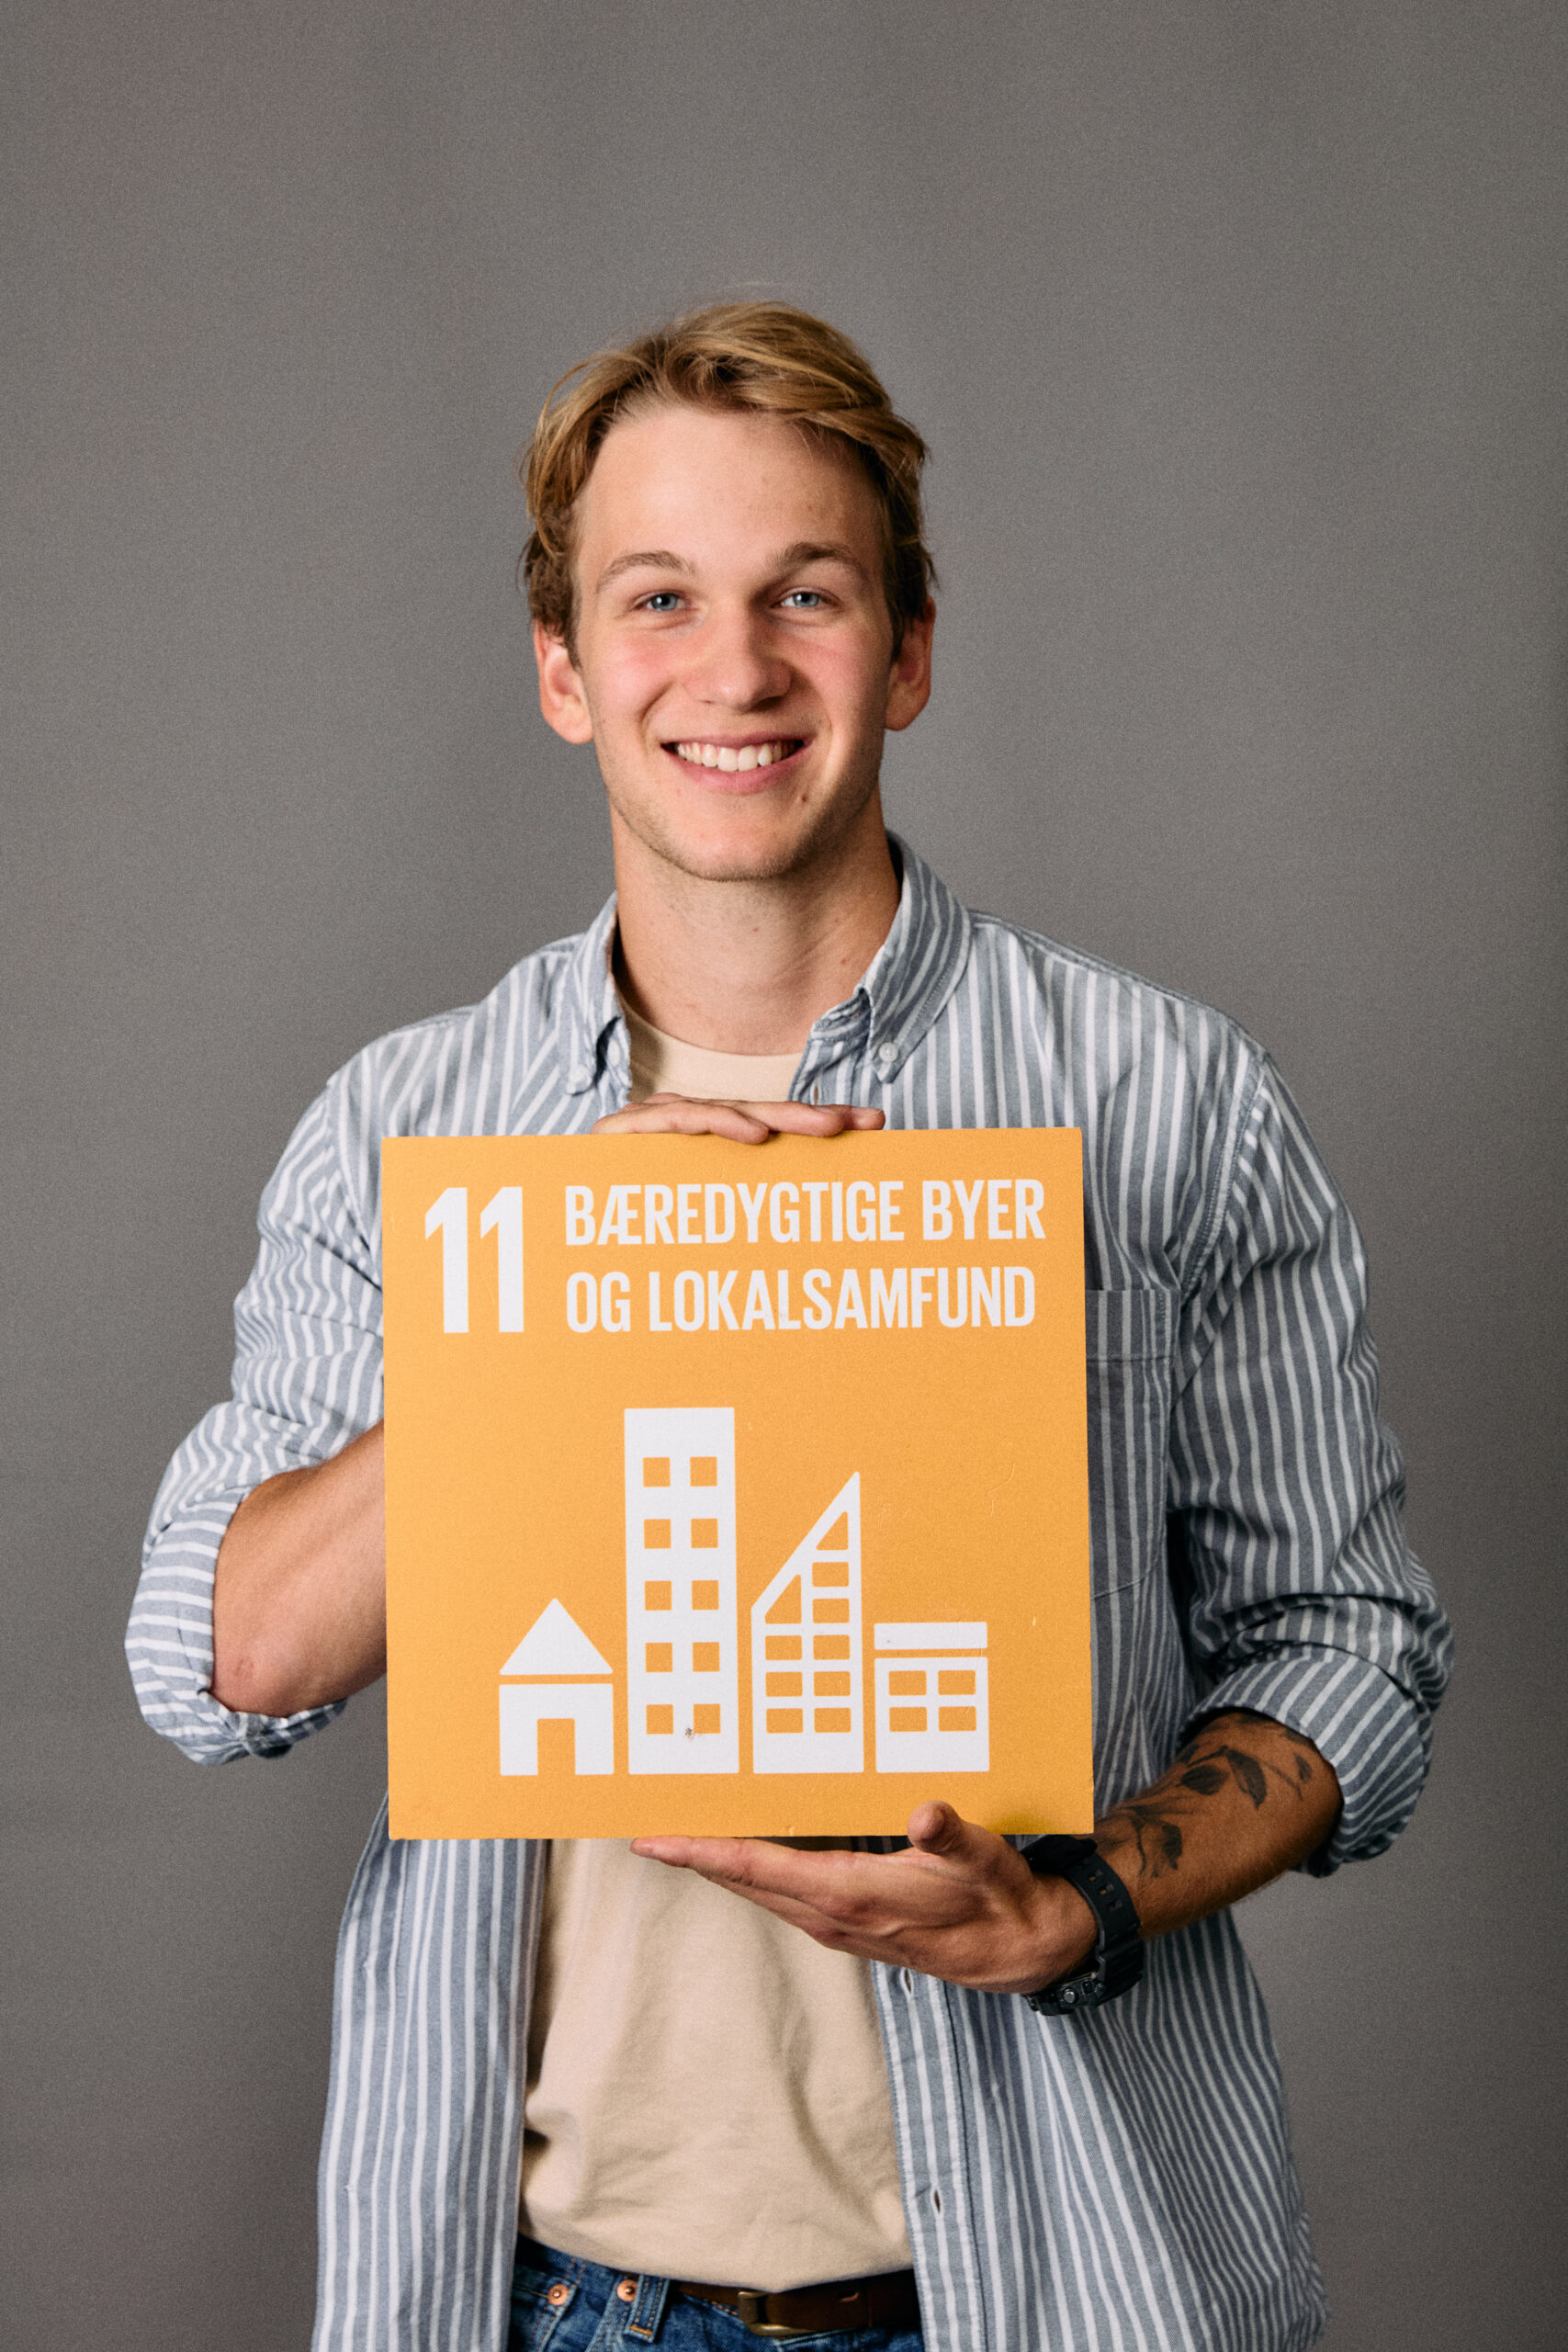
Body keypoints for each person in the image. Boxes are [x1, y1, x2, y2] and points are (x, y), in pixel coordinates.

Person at [127, 302, 1451, 2352]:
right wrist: (551, 1306)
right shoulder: (404, 1126)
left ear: (904, 651)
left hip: (1057, 2281)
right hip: (547, 2298)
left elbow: (1351, 1648)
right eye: (656, 597)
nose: (733, 669)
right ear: (564, 669)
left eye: (805, 593)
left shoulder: (1166, 1097)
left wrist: (1082, 1896)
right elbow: (226, 1660)